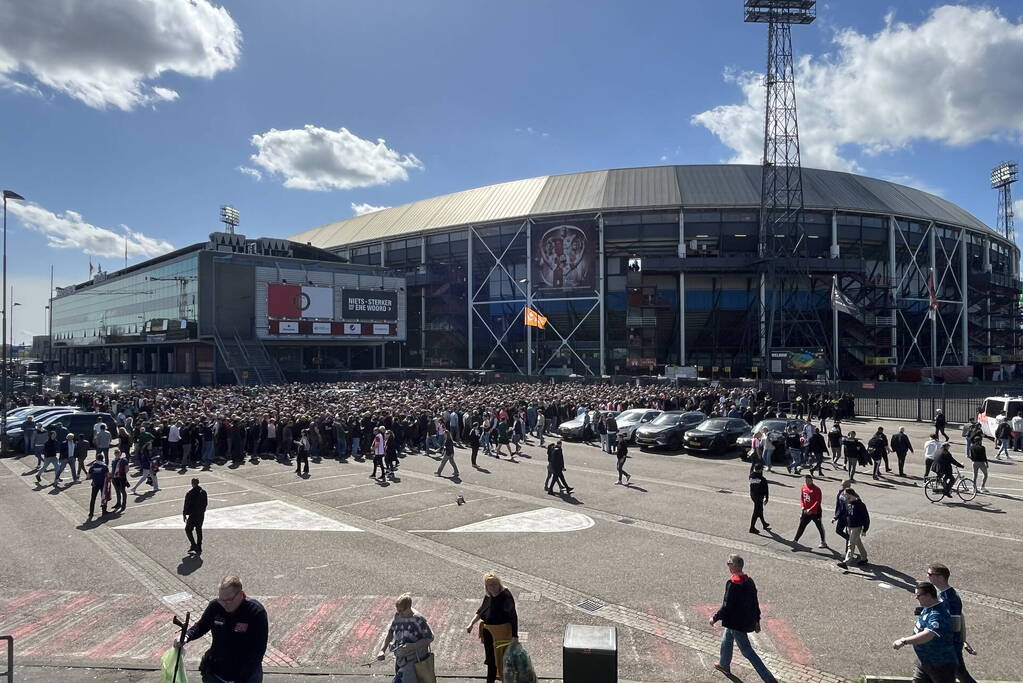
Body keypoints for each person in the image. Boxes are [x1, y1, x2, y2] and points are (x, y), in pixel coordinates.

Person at [176, 575, 268, 683]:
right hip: (216, 673)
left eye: (228, 600)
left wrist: (244, 676)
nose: (224, 604)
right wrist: (186, 636)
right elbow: (202, 626)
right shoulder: (215, 606)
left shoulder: (256, 612)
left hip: (246, 675)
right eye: (221, 599)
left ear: (241, 595)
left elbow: (259, 649)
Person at [710, 554, 778, 683]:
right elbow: (755, 602)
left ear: (735, 566)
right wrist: (757, 620)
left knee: (748, 652)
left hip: (736, 624)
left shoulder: (732, 584)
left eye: (729, 563)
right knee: (727, 639)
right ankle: (724, 664)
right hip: (742, 622)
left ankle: (769, 679)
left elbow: (727, 606)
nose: (727, 565)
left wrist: (714, 618)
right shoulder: (749, 581)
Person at [892, 581, 958, 683]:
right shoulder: (928, 606)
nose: (916, 598)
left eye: (918, 595)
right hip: (924, 661)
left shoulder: (937, 615)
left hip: (940, 665)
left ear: (928, 595)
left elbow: (928, 635)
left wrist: (904, 641)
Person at [927, 563, 979, 683]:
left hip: (950, 646)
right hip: (950, 645)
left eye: (930, 574)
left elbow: (956, 624)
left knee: (960, 674)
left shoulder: (950, 598)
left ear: (940, 577)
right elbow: (959, 618)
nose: (927, 576)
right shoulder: (944, 594)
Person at [466, 572, 518, 683]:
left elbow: (513, 616)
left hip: (502, 635)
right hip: (489, 634)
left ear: (499, 584)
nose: (493, 587)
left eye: (495, 584)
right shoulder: (488, 596)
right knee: (491, 661)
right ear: (486, 587)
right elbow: (481, 611)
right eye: (490, 585)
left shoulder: (505, 596)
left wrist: (515, 636)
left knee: (504, 661)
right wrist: (471, 624)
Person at [376, 594, 434, 683]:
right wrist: (382, 650)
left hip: (414, 661)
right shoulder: (398, 617)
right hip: (400, 660)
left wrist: (413, 646)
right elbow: (390, 632)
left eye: (401, 611)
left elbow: (430, 637)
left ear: (409, 607)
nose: (399, 613)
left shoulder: (418, 619)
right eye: (397, 610)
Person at [837, 488, 869, 569]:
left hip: (856, 527)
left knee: (851, 544)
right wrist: (836, 517)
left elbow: (866, 518)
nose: (844, 495)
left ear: (850, 494)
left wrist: (865, 529)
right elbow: (843, 511)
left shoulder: (860, 504)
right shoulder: (847, 502)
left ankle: (846, 562)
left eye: (845, 494)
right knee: (858, 542)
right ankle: (864, 557)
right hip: (849, 526)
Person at [792, 474, 826, 549]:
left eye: (809, 480)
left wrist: (811, 509)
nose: (807, 482)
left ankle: (823, 541)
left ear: (812, 480)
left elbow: (818, 501)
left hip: (815, 512)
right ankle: (795, 540)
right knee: (802, 525)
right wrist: (802, 506)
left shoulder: (817, 489)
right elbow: (802, 498)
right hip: (805, 511)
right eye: (806, 480)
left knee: (819, 526)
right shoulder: (803, 487)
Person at [184, 478, 208, 555]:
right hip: (200, 514)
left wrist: (184, 514)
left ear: (192, 483)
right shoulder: (203, 492)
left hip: (193, 514)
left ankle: (193, 544)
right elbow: (205, 503)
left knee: (188, 529)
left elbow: (186, 505)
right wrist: (202, 510)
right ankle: (199, 546)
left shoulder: (190, 493)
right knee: (198, 530)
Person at [86, 451, 110, 519]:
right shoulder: (104, 466)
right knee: (103, 497)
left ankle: (91, 513)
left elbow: (88, 476)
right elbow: (108, 475)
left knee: (93, 498)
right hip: (103, 484)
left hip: (95, 484)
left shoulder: (92, 466)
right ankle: (104, 511)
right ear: (102, 459)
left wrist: (93, 477)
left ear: (96, 458)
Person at [748, 464, 770, 534]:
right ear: (760, 470)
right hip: (759, 497)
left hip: (753, 496)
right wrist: (766, 498)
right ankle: (752, 528)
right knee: (756, 511)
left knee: (759, 509)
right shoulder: (763, 479)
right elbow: (766, 490)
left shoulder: (751, 476)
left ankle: (764, 524)